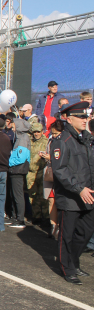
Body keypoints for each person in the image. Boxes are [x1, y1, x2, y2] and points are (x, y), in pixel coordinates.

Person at [50, 101, 94, 285]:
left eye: (86, 116)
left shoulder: (86, 140)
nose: (85, 120)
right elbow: (60, 170)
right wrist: (79, 188)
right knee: (66, 236)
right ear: (69, 118)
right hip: (71, 197)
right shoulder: (62, 141)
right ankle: (67, 268)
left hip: (88, 194)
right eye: (81, 117)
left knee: (85, 232)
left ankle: (74, 262)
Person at [7, 118, 31, 229]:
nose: (12, 128)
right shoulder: (19, 138)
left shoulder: (23, 139)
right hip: (14, 169)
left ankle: (20, 219)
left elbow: (21, 158)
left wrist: (8, 162)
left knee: (18, 195)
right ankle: (14, 216)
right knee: (13, 194)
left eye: (13, 126)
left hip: (18, 169)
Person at [28, 122, 49, 225]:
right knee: (32, 196)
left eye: (38, 132)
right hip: (31, 173)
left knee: (43, 196)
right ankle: (36, 216)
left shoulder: (46, 142)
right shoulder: (30, 141)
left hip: (42, 172)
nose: (36, 134)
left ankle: (46, 217)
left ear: (42, 132)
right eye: (34, 132)